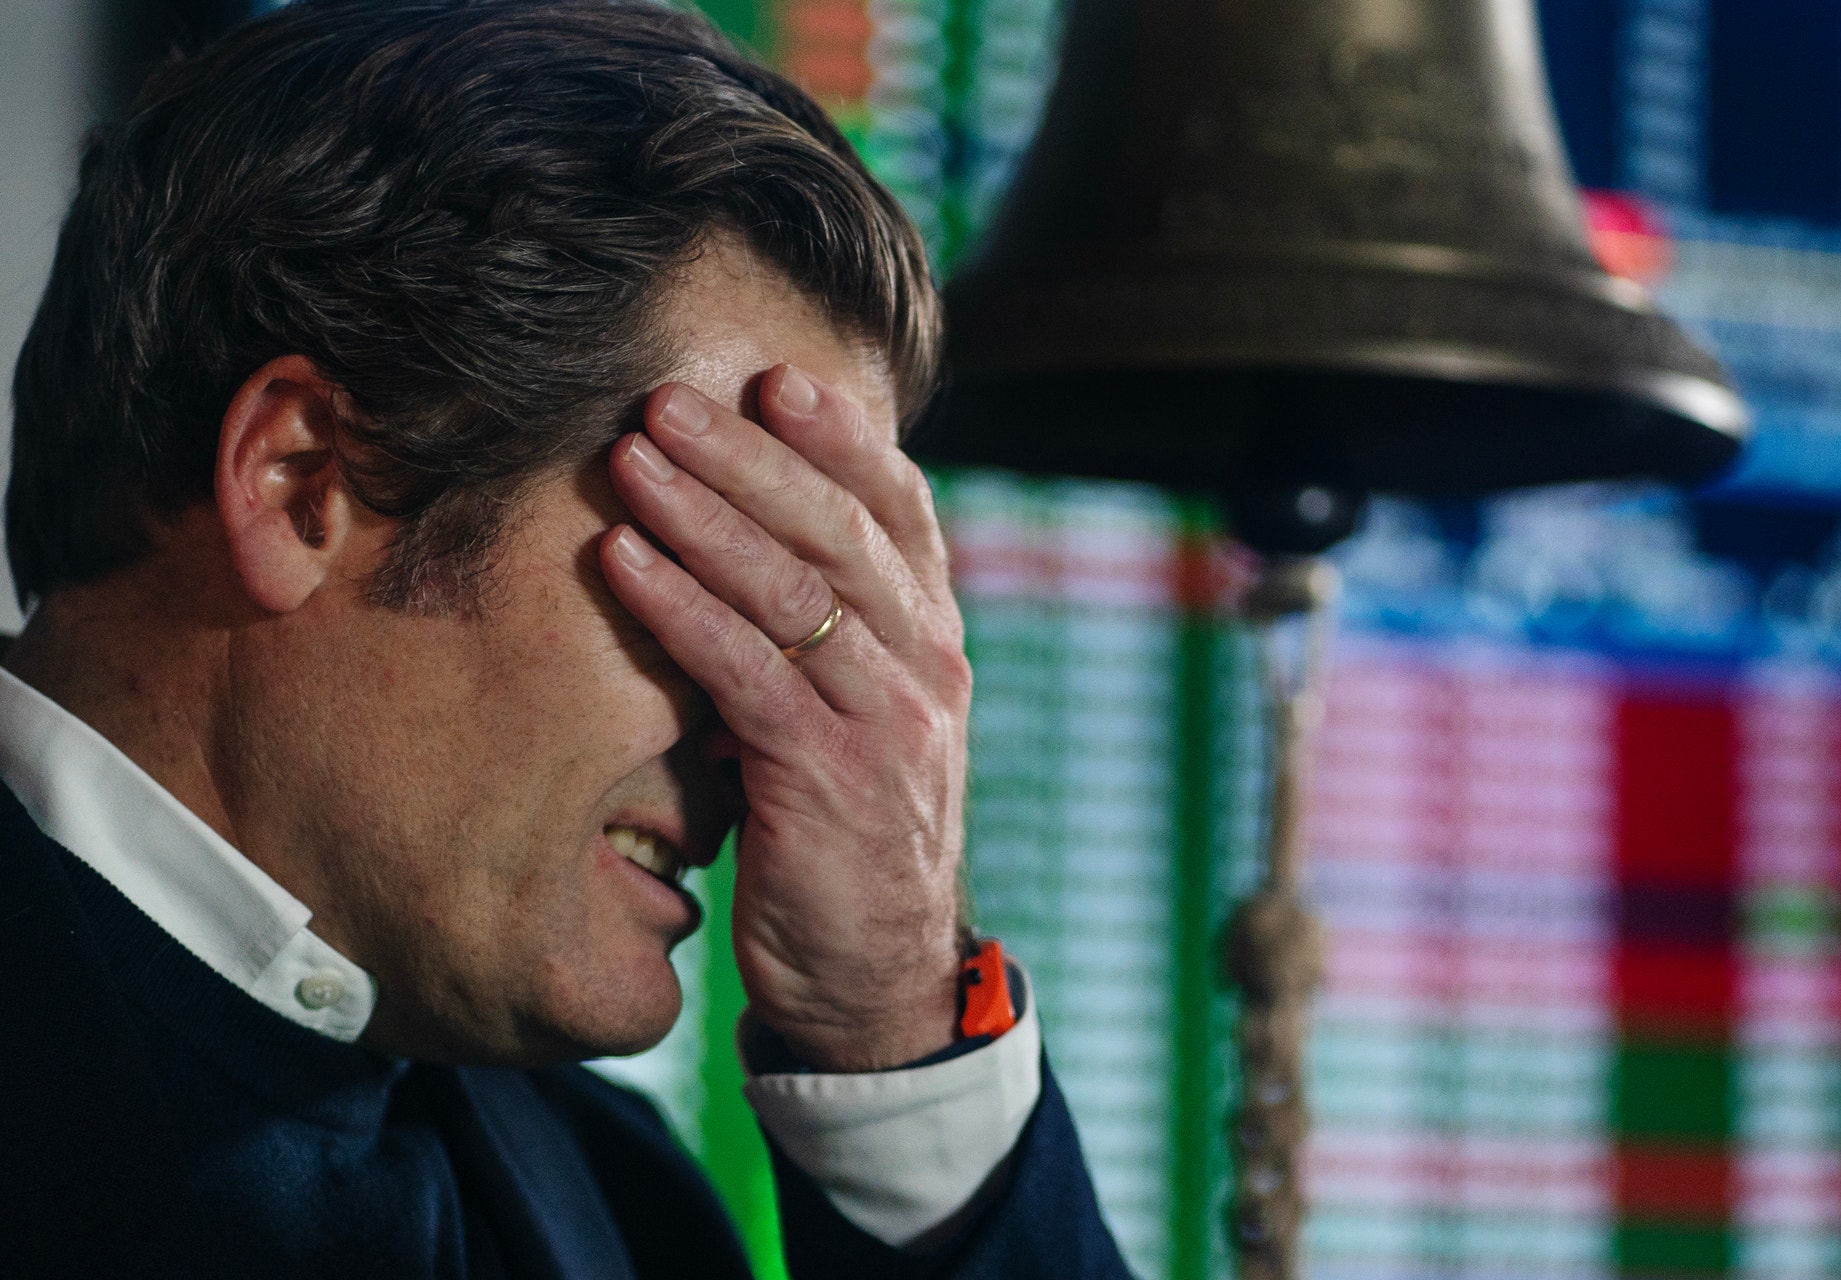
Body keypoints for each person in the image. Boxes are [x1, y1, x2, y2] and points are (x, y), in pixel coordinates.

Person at [0, 2, 1136, 1276]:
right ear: (302, 482)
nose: (785, 738)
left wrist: (891, 1024)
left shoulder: (630, 1201)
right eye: (725, 569)